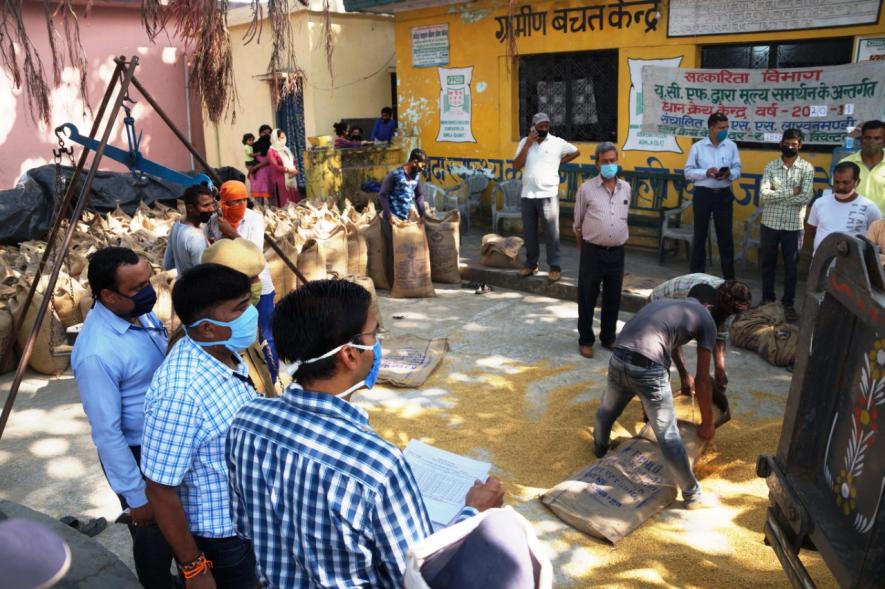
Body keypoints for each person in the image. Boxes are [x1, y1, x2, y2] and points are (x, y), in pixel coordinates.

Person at [226, 279, 504, 588]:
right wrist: (473, 515)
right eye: (373, 334)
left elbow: (244, 527)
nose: (378, 345)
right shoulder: (379, 466)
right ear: (350, 355)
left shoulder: (246, 422)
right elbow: (419, 576)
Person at [142, 264, 259, 589]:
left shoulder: (227, 352)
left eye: (248, 303)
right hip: (221, 542)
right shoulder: (181, 391)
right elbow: (159, 489)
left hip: (246, 525)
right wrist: (194, 567)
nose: (250, 315)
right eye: (239, 309)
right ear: (207, 328)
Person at [71, 247, 175, 588]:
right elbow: (106, 432)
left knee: (177, 528)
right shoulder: (96, 352)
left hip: (164, 444)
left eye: (148, 281)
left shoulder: (137, 313)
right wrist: (136, 495)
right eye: (137, 287)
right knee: (152, 538)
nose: (148, 291)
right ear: (107, 295)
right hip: (138, 453)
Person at [594, 284, 723, 509]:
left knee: (608, 409)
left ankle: (600, 448)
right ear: (709, 306)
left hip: (618, 356)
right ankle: (693, 495)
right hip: (647, 367)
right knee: (668, 434)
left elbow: (672, 342)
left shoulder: (666, 305)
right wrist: (708, 424)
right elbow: (703, 381)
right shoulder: (705, 317)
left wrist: (683, 373)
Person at [204, 180, 279, 381]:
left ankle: (272, 379)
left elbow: (253, 253)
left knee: (266, 335)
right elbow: (209, 248)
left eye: (242, 201)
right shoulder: (213, 222)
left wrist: (231, 233)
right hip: (229, 290)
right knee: (238, 337)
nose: (239, 206)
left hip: (258, 287)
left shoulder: (254, 219)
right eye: (233, 202)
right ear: (223, 203)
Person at [649, 275, 752, 418]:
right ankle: (651, 412)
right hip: (663, 300)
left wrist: (720, 369)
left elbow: (720, 335)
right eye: (727, 312)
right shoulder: (697, 297)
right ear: (716, 304)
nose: (729, 316)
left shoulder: (729, 302)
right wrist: (684, 373)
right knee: (657, 363)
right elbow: (674, 338)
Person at [573, 142, 630, 358]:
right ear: (597, 164)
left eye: (612, 161)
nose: (609, 165)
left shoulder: (626, 188)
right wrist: (584, 250)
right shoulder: (586, 189)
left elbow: (625, 217)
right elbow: (577, 224)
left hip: (617, 251)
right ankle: (586, 339)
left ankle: (608, 337)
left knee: (613, 297)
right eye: (604, 161)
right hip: (592, 251)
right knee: (587, 295)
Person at [513, 112, 580, 283]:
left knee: (552, 234)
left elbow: (576, 151)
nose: (543, 129)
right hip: (528, 194)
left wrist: (561, 162)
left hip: (548, 195)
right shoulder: (524, 142)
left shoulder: (557, 143)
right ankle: (531, 264)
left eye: (546, 126)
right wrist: (528, 144)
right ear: (533, 126)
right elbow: (516, 165)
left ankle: (555, 267)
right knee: (529, 234)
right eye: (540, 126)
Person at [758, 129, 815, 322]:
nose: (790, 147)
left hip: (793, 226)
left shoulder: (807, 168)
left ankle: (788, 303)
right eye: (787, 143)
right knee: (767, 264)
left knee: (791, 267)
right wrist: (792, 192)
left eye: (794, 143)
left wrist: (779, 195)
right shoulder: (770, 166)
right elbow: (764, 195)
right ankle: (767, 299)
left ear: (800, 145)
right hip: (770, 223)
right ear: (781, 143)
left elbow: (806, 197)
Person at [684, 112, 742, 279]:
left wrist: (729, 174)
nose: (724, 131)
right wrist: (706, 172)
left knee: (725, 237)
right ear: (711, 128)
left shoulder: (731, 146)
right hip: (703, 194)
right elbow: (688, 172)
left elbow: (738, 169)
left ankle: (729, 280)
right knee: (700, 236)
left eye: (726, 128)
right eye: (721, 128)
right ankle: (696, 279)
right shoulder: (698, 147)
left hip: (723, 194)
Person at [807, 161, 881, 255]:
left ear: (857, 182)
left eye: (846, 183)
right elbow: (812, 230)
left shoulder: (869, 208)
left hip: (852, 266)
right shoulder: (819, 203)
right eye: (837, 182)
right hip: (820, 264)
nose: (840, 187)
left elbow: (878, 237)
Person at [379, 149, 429, 285]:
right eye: (422, 165)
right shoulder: (395, 175)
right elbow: (382, 195)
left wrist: (423, 213)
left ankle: (404, 281)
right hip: (392, 220)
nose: (423, 168)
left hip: (405, 220)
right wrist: (389, 216)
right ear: (414, 161)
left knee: (403, 251)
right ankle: (392, 283)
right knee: (393, 251)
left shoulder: (416, 177)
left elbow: (419, 195)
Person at [162, 184, 214, 274]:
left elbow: (168, 265)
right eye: (206, 206)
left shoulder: (177, 226)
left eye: (211, 204)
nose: (211, 209)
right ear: (190, 208)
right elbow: (203, 275)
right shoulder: (196, 238)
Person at [840, 120, 885, 214]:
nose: (871, 142)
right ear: (861, 139)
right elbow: (838, 196)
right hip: (850, 223)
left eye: (877, 138)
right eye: (867, 138)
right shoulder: (845, 163)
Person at [267, 127, 300, 207]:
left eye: (284, 137)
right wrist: (289, 170)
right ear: (276, 138)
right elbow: (276, 166)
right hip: (280, 180)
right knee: (285, 201)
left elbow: (293, 160)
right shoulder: (271, 151)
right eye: (282, 137)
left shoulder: (285, 149)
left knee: (293, 199)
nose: (284, 139)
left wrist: (295, 169)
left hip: (291, 177)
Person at [248, 124, 273, 203]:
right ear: (259, 133)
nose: (266, 135)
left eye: (269, 133)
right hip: (257, 174)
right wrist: (250, 169)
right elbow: (250, 159)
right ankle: (260, 214)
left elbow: (269, 160)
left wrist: (255, 167)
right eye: (264, 133)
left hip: (269, 173)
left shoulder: (273, 146)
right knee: (258, 200)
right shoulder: (254, 145)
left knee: (272, 199)